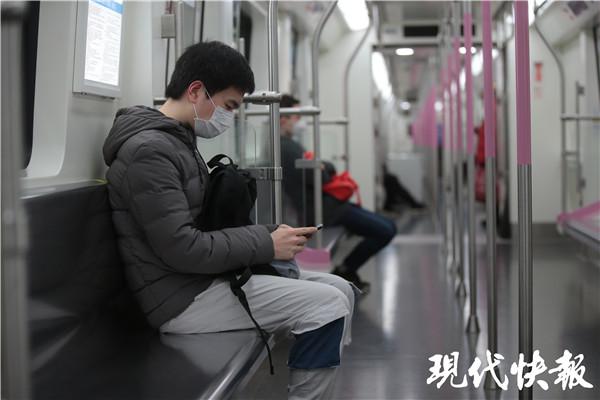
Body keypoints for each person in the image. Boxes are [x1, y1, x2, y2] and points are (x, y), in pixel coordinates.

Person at [102, 41, 355, 399]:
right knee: (326, 305)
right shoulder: (150, 152)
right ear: (196, 91)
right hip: (181, 299)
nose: (230, 118)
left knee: (340, 289)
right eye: (229, 106)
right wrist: (266, 244)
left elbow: (198, 229)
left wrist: (272, 233)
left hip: (201, 281)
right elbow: (182, 248)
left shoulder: (177, 143)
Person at [279, 94, 397, 293]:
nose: (301, 122)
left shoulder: (288, 144)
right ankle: (346, 270)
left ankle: (347, 269)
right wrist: (325, 167)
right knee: (385, 230)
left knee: (389, 226)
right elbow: (320, 177)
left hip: (329, 204)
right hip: (323, 210)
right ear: (283, 118)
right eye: (297, 116)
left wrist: (324, 167)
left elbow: (319, 169)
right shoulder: (286, 147)